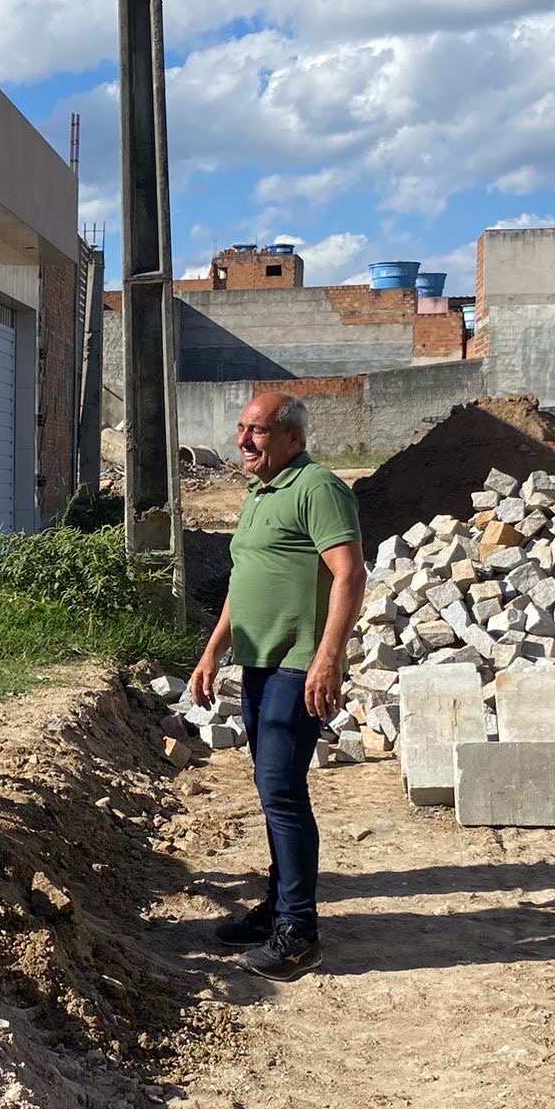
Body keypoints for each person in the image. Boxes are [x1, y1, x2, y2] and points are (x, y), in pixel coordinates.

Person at [188, 392, 364, 980]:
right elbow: (244, 580)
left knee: (281, 791)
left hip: (298, 664)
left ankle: (299, 930)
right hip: (261, 662)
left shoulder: (318, 488)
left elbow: (349, 572)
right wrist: (213, 652)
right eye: (241, 428)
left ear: (292, 437)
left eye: (258, 431)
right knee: (272, 790)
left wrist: (327, 657)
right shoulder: (261, 494)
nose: (243, 441)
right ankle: (277, 909)